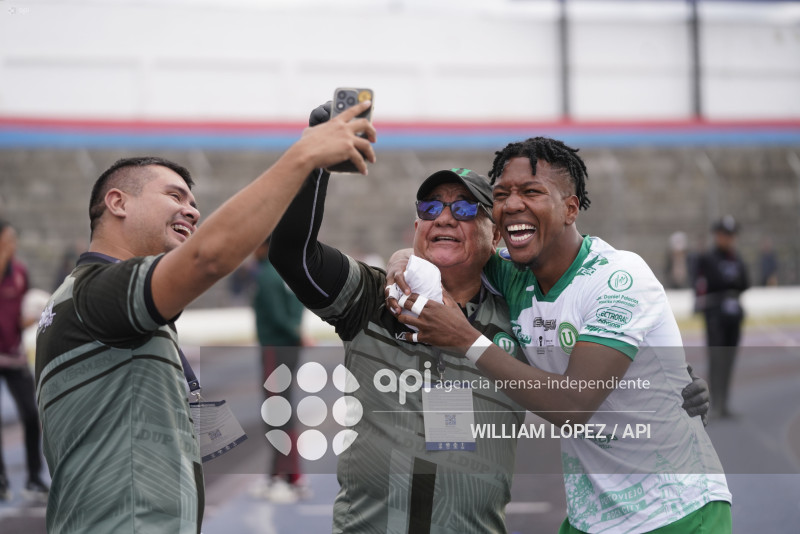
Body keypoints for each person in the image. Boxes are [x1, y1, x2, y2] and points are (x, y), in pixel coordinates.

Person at [271, 105, 708, 533]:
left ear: (496, 237)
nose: (444, 218)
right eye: (430, 209)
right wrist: (315, 156)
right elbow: (292, 255)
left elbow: (579, 375)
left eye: (464, 210)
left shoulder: (516, 309)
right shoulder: (376, 294)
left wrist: (668, 382)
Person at [34, 101, 376, 534]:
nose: (193, 211)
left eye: (194, 202)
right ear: (117, 202)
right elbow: (209, 258)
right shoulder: (97, 292)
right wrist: (304, 155)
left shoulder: (92, 298)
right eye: (174, 196)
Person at [389, 137, 730, 533]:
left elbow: (573, 405)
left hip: (674, 512)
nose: (513, 204)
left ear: (570, 208)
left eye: (532, 191)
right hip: (593, 517)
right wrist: (404, 257)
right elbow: (451, 254)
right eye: (502, 195)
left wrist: (466, 339)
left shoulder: (618, 278)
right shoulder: (516, 274)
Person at [251, 236, 310, 502]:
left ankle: (292, 478)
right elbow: (297, 307)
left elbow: (276, 316)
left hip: (274, 349)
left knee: (276, 413)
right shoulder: (285, 275)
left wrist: (292, 332)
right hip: (289, 348)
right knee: (281, 410)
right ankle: (278, 476)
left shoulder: (266, 275)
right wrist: (297, 333)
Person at [0, 219, 50, 502]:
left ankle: (33, 478)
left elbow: (20, 316)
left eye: (14, 240)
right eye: (8, 240)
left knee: (31, 415)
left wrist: (31, 318)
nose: (13, 245)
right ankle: (2, 479)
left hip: (14, 355)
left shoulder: (19, 272)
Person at [694, 215, 749, 419]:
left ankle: (725, 403)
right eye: (724, 234)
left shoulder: (737, 258)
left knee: (729, 360)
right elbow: (704, 285)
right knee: (716, 360)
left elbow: (744, 282)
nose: (728, 239)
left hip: (734, 317)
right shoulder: (708, 258)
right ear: (717, 235)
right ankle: (715, 404)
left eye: (731, 235)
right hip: (716, 317)